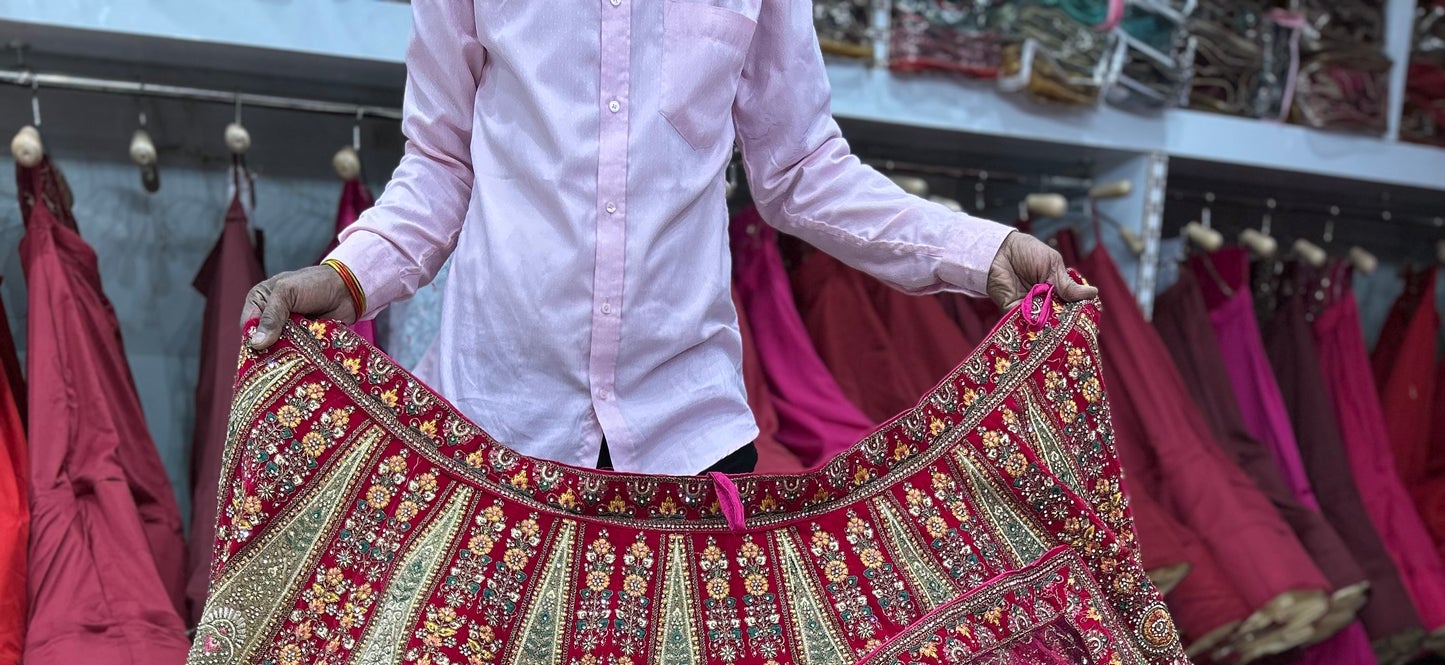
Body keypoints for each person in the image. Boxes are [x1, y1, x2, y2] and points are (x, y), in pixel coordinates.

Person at [243, 0, 1093, 476]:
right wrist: (343, 276)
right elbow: (438, 165)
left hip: (691, 438)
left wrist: (982, 252)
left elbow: (800, 169)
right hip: (493, 434)